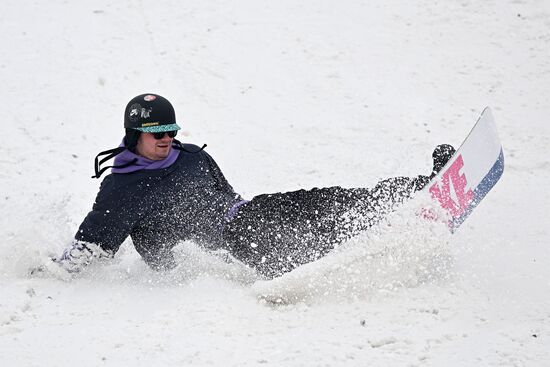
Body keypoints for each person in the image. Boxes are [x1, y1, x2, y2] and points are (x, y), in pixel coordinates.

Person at [51, 94, 455, 279]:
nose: (166, 139)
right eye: (156, 132)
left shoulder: (191, 155)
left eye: (170, 130)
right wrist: (52, 271)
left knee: (326, 201)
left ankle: (422, 188)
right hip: (230, 251)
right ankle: (386, 239)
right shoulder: (123, 187)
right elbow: (93, 246)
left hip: (248, 216)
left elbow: (227, 195)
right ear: (133, 133)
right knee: (310, 241)